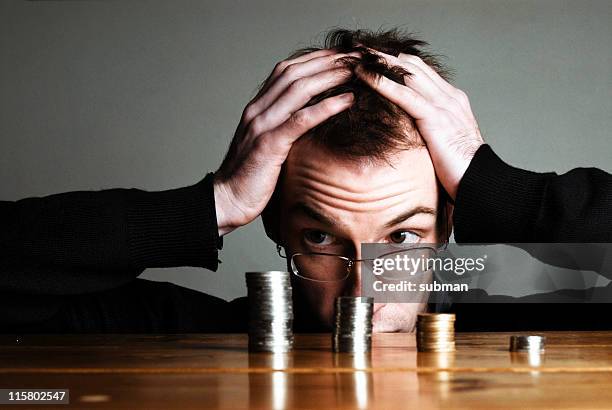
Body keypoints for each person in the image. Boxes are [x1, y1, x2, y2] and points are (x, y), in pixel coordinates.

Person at [2, 28, 611, 333]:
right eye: (321, 239)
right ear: (273, 222)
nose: (363, 295)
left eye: (401, 240)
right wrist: (210, 204)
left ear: (451, 222)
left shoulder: (537, 317)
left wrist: (491, 184)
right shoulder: (195, 337)